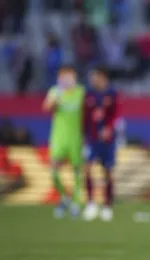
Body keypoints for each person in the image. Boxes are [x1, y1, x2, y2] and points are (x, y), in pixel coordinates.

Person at [43, 66, 85, 219]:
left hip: (76, 137)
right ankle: (64, 196)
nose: (68, 80)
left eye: (71, 77)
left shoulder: (81, 92)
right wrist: (57, 96)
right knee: (53, 169)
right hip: (58, 137)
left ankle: (75, 202)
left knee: (77, 169)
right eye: (65, 77)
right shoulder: (55, 91)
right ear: (60, 78)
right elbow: (46, 108)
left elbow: (88, 112)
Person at [82, 66, 120, 222]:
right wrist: (83, 136)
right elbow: (85, 117)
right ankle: (90, 203)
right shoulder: (88, 94)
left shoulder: (112, 94)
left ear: (103, 77)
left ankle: (107, 205)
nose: (93, 79)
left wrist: (109, 129)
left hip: (108, 141)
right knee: (87, 168)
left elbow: (116, 115)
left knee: (108, 172)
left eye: (95, 76)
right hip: (92, 139)